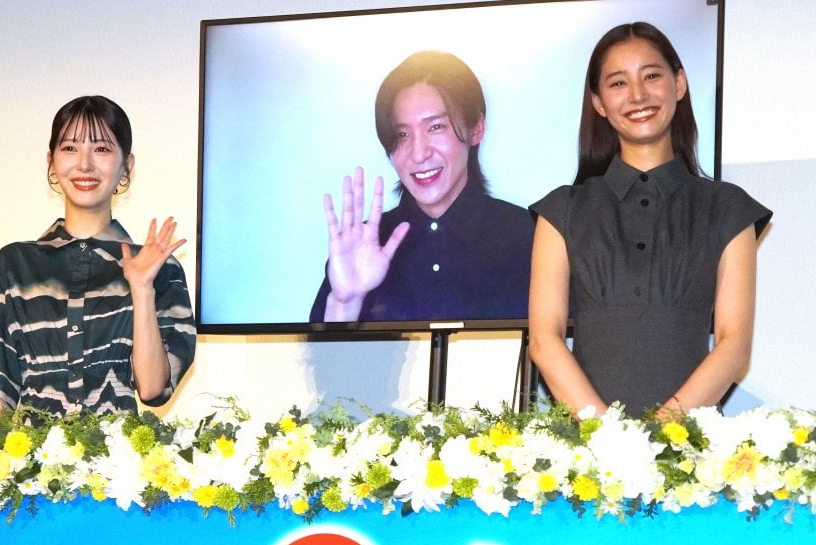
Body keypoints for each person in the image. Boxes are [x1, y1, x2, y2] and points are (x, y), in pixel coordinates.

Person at [528, 22, 771, 419]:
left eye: (652, 76)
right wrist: (608, 436)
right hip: (585, 444)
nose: (638, 95)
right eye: (618, 83)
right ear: (599, 103)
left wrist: (658, 434)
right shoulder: (563, 210)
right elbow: (544, 341)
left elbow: (733, 346)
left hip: (689, 444)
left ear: (679, 84)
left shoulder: (727, 208)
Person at [0, 95, 195, 416]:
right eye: (70, 148)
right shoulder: (12, 265)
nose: (85, 164)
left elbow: (152, 388)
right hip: (30, 448)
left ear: (127, 165)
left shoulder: (160, 268)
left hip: (120, 448)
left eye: (101, 149)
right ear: (51, 161)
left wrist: (142, 288)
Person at [309, 50, 533, 323]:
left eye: (436, 127)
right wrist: (345, 302)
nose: (418, 154)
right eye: (402, 134)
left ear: (476, 129)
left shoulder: (531, 238)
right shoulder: (361, 248)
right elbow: (317, 353)